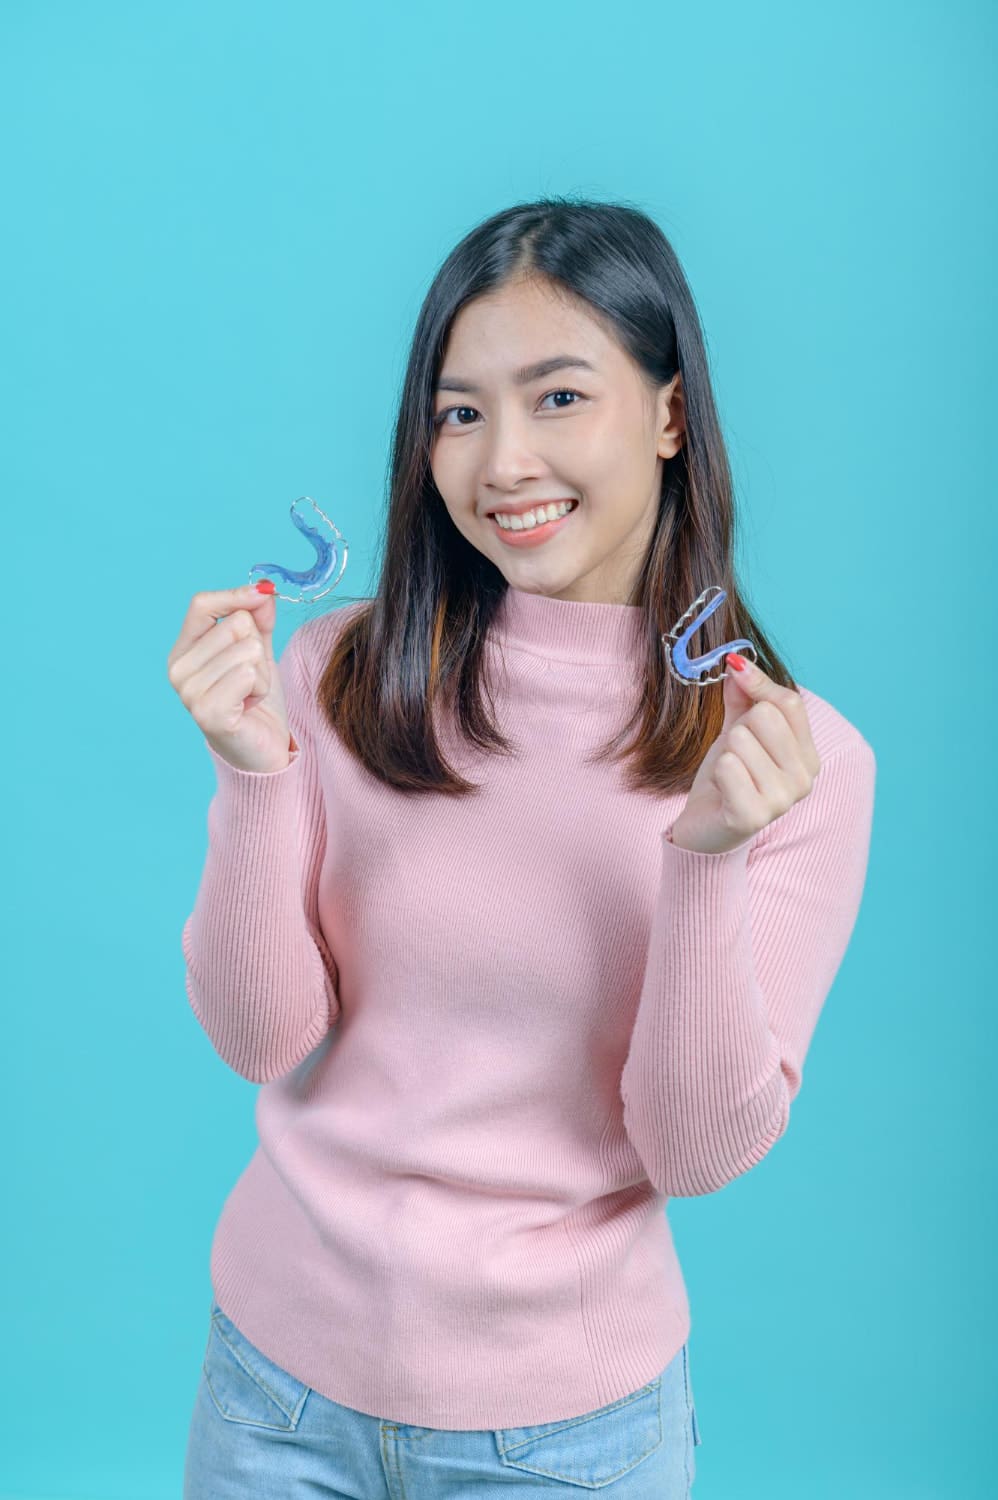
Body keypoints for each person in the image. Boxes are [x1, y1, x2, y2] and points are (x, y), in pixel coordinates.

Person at [168, 196, 876, 1498]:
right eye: (458, 411)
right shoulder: (338, 672)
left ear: (668, 415)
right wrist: (251, 771)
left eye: (558, 398)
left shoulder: (797, 764)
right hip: (271, 1394)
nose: (501, 463)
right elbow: (257, 1038)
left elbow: (694, 1153)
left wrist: (705, 854)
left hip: (566, 1441)